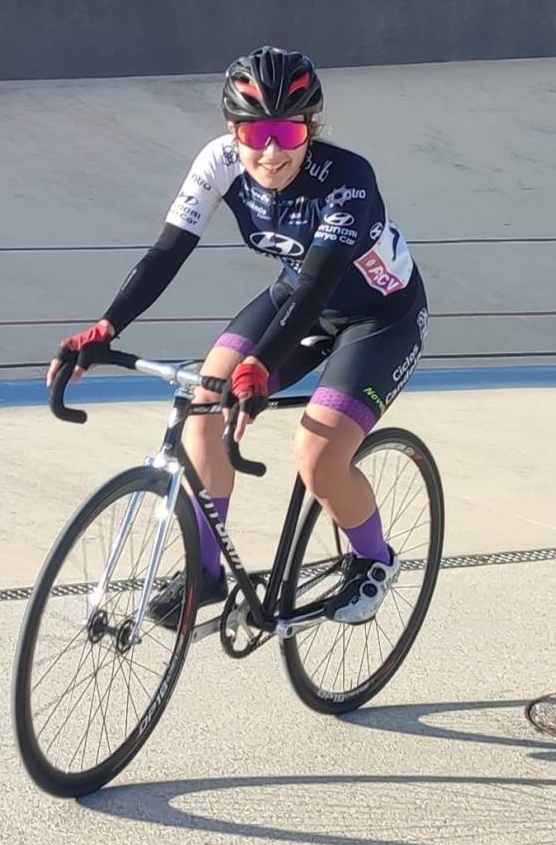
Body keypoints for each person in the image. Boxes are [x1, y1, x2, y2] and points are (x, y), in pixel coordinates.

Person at [47, 45, 429, 625]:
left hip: (379, 318)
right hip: (296, 295)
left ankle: (375, 560)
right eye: (256, 134)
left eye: (288, 132)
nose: (272, 152)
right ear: (233, 131)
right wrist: (108, 325)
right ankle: (206, 572)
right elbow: (166, 253)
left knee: (317, 455)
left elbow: (319, 285)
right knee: (207, 399)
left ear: (310, 128)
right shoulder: (218, 162)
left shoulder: (348, 179)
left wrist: (261, 364)